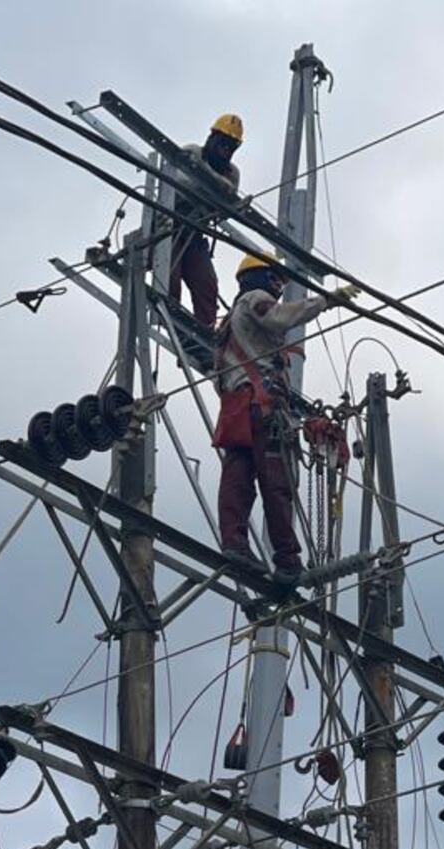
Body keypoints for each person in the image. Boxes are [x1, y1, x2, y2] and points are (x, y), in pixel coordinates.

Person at [212, 251, 358, 588]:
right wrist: (325, 301)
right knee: (276, 484)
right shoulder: (255, 299)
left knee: (237, 479)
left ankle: (234, 544)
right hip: (260, 409)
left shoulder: (228, 321)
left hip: (236, 409)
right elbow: (279, 318)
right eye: (276, 278)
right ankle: (288, 561)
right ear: (261, 276)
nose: (279, 286)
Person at [169, 114, 244, 329]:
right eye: (223, 144)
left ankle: (205, 333)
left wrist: (214, 183)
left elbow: (225, 208)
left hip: (194, 234)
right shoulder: (192, 152)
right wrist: (214, 183)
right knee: (169, 279)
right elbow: (180, 186)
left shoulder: (232, 173)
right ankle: (172, 321)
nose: (226, 150)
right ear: (212, 137)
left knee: (207, 284)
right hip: (168, 225)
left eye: (231, 147)